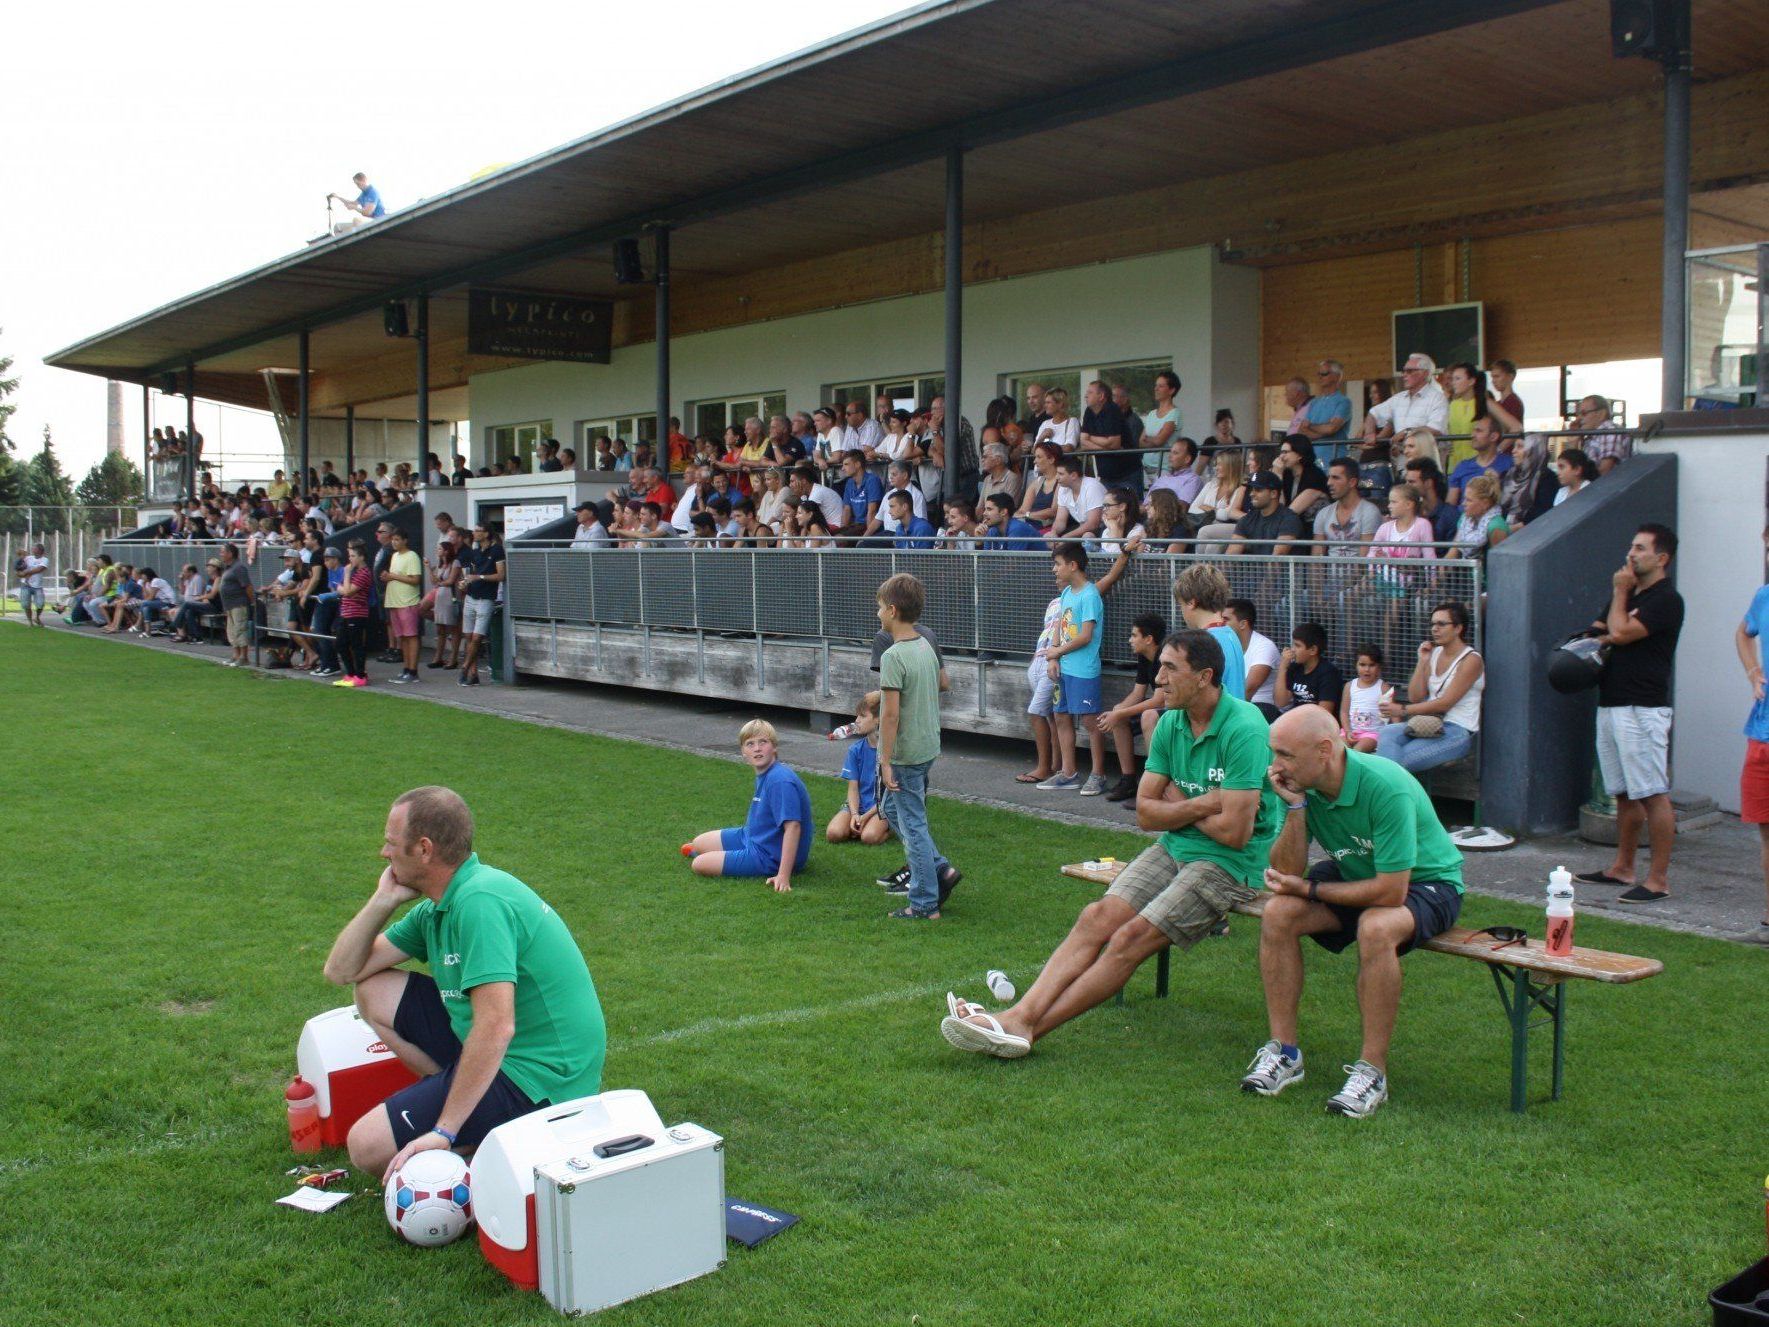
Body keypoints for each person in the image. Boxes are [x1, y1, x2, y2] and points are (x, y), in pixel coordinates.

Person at [941, 630, 1279, 1059]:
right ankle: (1019, 1018)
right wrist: (1205, 804)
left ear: (1205, 676)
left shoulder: (1245, 728)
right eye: (1160, 668)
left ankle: (1025, 1027)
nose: (1159, 679)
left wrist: (1180, 801)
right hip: (1179, 846)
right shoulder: (1172, 721)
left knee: (1130, 939)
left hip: (1231, 865)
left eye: (1171, 669)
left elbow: (1235, 834)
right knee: (1096, 916)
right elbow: (1144, 813)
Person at [322, 786, 605, 1175]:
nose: (383, 854)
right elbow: (342, 971)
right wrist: (382, 900)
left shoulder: (480, 902)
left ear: (423, 849)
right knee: (372, 989)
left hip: (541, 1077)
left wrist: (444, 1129)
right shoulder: (439, 907)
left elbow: (496, 1025)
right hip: (500, 1050)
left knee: (367, 1147)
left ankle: (473, 1135)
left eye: (390, 843)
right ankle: (462, 1100)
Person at [1242, 706, 1465, 1118]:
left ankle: (1372, 1071)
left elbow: (1392, 890)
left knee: (1376, 927)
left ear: (1325, 749)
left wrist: (1311, 888)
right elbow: (1285, 871)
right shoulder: (1299, 786)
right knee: (1279, 913)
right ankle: (1285, 1053)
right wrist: (1294, 808)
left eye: (1286, 754)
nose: (1276, 766)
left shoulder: (1386, 785)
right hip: (1358, 876)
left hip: (1426, 883)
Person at [1575, 525, 1684, 903]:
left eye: (1640, 548)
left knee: (1652, 793)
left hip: (1643, 707)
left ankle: (1658, 879)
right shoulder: (1628, 593)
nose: (1630, 554)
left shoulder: (1666, 599)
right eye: (1630, 546)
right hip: (1612, 701)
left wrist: (1620, 594)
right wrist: (1608, 621)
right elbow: (1600, 628)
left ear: (1662, 558)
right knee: (1622, 793)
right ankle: (1623, 867)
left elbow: (1619, 633)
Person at [870, 574, 961, 919]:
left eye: (880, 607)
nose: (878, 613)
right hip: (927, 747)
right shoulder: (926, 645)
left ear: (892, 610)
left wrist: (885, 760)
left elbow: (889, 715)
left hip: (906, 754)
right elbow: (938, 686)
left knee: (913, 826)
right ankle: (939, 868)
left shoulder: (894, 656)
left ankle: (924, 904)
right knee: (891, 810)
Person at [681, 720, 812, 892]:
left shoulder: (780, 780)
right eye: (750, 744)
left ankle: (710, 857)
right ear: (743, 752)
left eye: (763, 742)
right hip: (751, 836)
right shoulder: (767, 773)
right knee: (698, 842)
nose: (757, 748)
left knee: (698, 864)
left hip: (768, 856)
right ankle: (710, 853)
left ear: (774, 747)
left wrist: (783, 875)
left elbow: (793, 827)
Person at [1374, 601, 1485, 773]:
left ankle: (1384, 790)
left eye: (1441, 624)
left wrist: (1402, 710)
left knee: (1397, 762)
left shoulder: (1471, 660)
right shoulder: (1434, 653)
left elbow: (1444, 703)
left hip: (1455, 731)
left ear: (1458, 628)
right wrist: (1422, 662)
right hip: (1427, 723)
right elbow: (1415, 696)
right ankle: (1388, 788)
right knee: (1387, 732)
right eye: (1433, 624)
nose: (1434, 629)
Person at [1035, 543, 1107, 792]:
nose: (1054, 569)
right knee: (1061, 716)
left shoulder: (1089, 595)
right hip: (1064, 668)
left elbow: (1085, 635)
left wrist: (1057, 652)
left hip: (1083, 670)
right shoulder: (1067, 593)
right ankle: (1068, 772)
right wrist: (1053, 656)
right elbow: (1059, 627)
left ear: (1073, 565)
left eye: (1058, 564)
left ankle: (1098, 774)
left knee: (1090, 722)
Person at [1090, 612, 1167, 801]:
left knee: (1149, 717)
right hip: (1159, 707)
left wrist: (1121, 712)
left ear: (1148, 639)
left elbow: (1160, 700)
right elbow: (1138, 693)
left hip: (1175, 711)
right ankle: (1128, 780)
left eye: (1134, 635)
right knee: (1119, 716)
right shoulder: (1144, 656)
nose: (1129, 640)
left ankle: (1152, 785)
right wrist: (1117, 711)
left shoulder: (1163, 657)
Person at [1736, 537, 1769, 941]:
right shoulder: (1765, 595)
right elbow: (1744, 634)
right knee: (1766, 832)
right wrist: (1752, 671)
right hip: (1761, 733)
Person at [1171, 562, 1247, 702]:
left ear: (1191, 603)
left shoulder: (1202, 642)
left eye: (1181, 604)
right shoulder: (1230, 633)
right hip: (1234, 715)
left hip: (1216, 719)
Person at [826, 693, 891, 847]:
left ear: (878, 719)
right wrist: (855, 814)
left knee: (868, 837)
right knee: (833, 834)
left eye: (862, 716)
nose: (856, 721)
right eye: (857, 716)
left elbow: (889, 795)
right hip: (858, 805)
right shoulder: (855, 750)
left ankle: (892, 829)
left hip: (882, 807)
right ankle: (858, 823)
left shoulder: (892, 752)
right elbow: (853, 789)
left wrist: (865, 817)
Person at [1362, 353, 1448, 444]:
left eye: (1409, 371)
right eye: (1404, 371)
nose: (1404, 375)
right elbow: (1373, 414)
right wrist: (1369, 433)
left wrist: (1406, 433)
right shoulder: (1398, 399)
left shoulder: (1437, 398)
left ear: (1425, 374)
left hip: (1426, 456)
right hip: (1400, 456)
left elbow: (1436, 430)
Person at [458, 522, 505, 687]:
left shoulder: (497, 550)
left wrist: (480, 577)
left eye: (478, 531)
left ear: (486, 533)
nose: (475, 534)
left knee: (478, 637)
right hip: (471, 596)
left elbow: (500, 575)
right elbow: (470, 574)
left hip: (486, 597)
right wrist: (464, 583)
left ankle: (464, 668)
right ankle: (473, 673)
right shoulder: (475, 552)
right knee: (469, 636)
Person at [1224, 598, 1281, 720]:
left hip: (1264, 707)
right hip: (1238, 704)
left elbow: (1248, 690)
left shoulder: (1264, 647)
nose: (1221, 624)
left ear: (1243, 624)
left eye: (1226, 620)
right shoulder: (1226, 645)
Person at [1224, 472, 1303, 557]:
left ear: (1273, 494)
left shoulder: (1289, 519)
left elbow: (1277, 559)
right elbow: (1231, 555)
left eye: (1258, 490)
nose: (1251, 494)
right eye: (1252, 489)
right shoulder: (1247, 519)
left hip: (1283, 570)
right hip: (1257, 569)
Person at [1274, 622, 1344, 719]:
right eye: (1293, 645)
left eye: (1297, 646)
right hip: (1298, 720)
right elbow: (1280, 702)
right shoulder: (1294, 668)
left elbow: (1324, 713)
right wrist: (1282, 668)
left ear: (1313, 650)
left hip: (1318, 725)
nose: (1293, 650)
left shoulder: (1329, 673)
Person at [383, 527, 424, 685]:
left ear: (405, 540)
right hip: (394, 600)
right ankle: (406, 669)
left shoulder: (412, 556)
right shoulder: (394, 556)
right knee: (402, 637)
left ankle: (413, 670)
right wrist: (388, 578)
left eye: (397, 539)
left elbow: (415, 580)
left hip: (407, 601)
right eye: (393, 539)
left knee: (411, 636)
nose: (394, 542)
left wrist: (393, 576)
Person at [332, 539, 375, 687]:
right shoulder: (357, 572)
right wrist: (343, 587)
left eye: (353, 556)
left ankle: (360, 675)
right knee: (341, 644)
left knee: (356, 645)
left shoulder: (364, 573)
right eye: (349, 556)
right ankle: (351, 673)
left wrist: (346, 575)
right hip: (347, 612)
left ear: (361, 557)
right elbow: (344, 589)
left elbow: (347, 591)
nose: (350, 559)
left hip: (357, 613)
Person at [1446, 416, 1513, 507]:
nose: (1472, 435)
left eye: (1478, 431)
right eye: (1473, 431)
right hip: (1462, 518)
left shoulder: (1509, 464)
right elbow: (1450, 506)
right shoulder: (1462, 466)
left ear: (1493, 436)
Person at [1341, 644, 1392, 753]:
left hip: (1371, 735)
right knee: (1340, 747)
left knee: (1358, 750)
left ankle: (1354, 769)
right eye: (1362, 665)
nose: (1367, 669)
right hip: (1350, 731)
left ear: (1379, 666)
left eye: (1371, 665)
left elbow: (1392, 714)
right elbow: (1344, 712)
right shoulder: (1349, 686)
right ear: (1356, 665)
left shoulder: (1383, 688)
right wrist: (1348, 730)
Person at [1297, 359, 1353, 453]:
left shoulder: (1344, 402)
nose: (1320, 377)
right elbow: (1301, 431)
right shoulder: (1314, 402)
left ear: (1337, 376)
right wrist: (1323, 432)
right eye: (1318, 374)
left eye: (1324, 374)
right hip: (1313, 459)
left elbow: (1332, 428)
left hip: (1334, 459)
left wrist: (1310, 426)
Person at [1047, 456, 1108, 541]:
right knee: (1047, 538)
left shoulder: (1092, 487)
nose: (1056, 477)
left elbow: (1093, 524)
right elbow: (1060, 521)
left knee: (1087, 537)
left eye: (1060, 474)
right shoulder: (1063, 488)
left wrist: (1066, 537)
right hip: (1082, 529)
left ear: (1073, 475)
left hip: (1103, 530)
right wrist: (1053, 533)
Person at [216, 542, 254, 668]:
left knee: (240, 629)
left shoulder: (239, 567)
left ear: (230, 554)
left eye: (222, 552)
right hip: (229, 605)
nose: (220, 554)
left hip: (239, 604)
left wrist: (252, 601)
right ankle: (236, 655)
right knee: (231, 631)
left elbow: (247, 586)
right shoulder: (228, 568)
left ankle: (244, 657)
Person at [1573, 395, 1632, 474]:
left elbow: (1605, 471)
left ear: (1601, 413)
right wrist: (1574, 442)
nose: (1578, 418)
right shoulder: (1591, 436)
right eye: (1578, 414)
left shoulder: (1609, 431)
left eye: (1584, 413)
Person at [979, 492, 1043, 551]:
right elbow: (985, 560)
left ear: (1003, 512)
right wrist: (978, 541)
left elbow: (1013, 562)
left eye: (989, 509)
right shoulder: (992, 531)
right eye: (985, 509)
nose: (984, 513)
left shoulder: (1017, 529)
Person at [14, 543, 48, 627]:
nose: (32, 549)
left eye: (34, 548)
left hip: (38, 586)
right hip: (26, 584)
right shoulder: (28, 558)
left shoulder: (45, 560)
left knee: (40, 604)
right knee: (26, 604)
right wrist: (20, 573)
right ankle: (30, 622)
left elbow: (39, 569)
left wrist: (26, 572)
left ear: (40, 550)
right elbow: (19, 564)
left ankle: (37, 617)